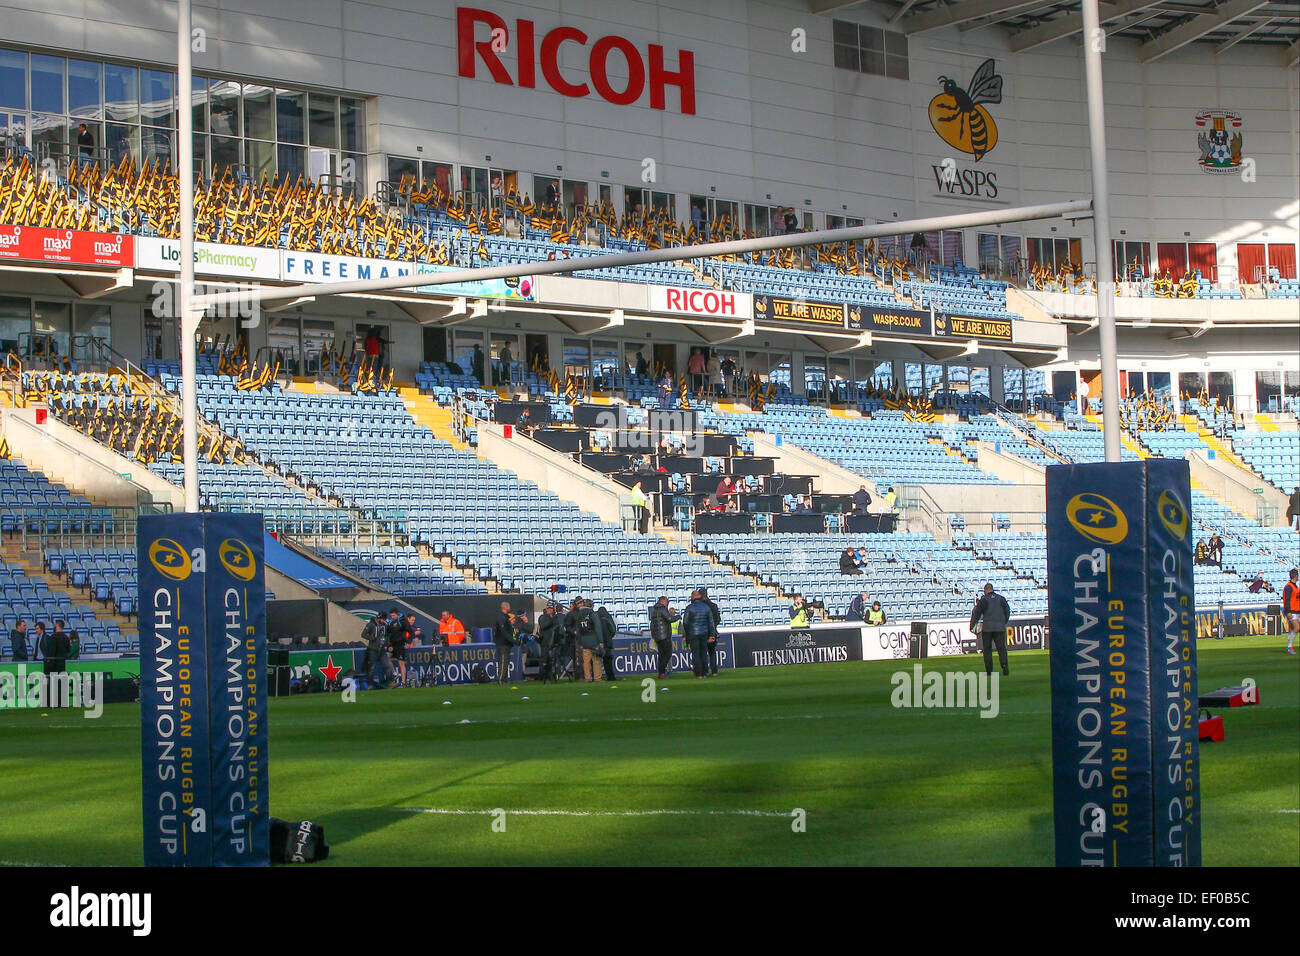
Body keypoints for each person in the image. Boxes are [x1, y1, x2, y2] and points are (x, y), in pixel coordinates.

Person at [970, 582, 1011, 677]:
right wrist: (1004, 621)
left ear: (985, 590)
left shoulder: (984, 600)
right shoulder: (1001, 598)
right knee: (1001, 648)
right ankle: (1005, 666)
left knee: (987, 649)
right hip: (1000, 628)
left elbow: (977, 613)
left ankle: (989, 671)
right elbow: (1007, 611)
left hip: (988, 628)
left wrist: (972, 625)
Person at [682, 590, 715, 679]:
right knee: (704, 653)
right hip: (704, 633)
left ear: (692, 597)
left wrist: (686, 634)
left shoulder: (689, 608)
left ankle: (698, 673)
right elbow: (711, 622)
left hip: (693, 634)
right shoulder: (706, 607)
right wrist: (712, 634)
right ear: (699, 596)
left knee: (696, 654)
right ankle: (705, 672)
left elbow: (685, 622)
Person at [648, 596, 679, 680]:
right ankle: (662, 672)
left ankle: (661, 672)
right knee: (667, 654)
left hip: (657, 636)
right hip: (664, 635)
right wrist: (678, 617)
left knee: (661, 655)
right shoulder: (663, 609)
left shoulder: (654, 611)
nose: (668, 603)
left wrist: (654, 635)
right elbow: (669, 618)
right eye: (667, 601)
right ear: (663, 601)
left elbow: (652, 625)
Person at [572, 599, 603, 681]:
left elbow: (578, 629)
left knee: (586, 661)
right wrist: (601, 641)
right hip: (594, 640)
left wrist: (580, 641)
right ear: (591, 606)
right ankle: (597, 678)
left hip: (584, 640)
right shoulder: (593, 614)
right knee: (596, 660)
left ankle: (588, 677)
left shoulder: (580, 615)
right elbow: (598, 628)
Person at [492, 601, 518, 685]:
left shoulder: (505, 617)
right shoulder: (501, 618)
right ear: (505, 607)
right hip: (502, 643)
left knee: (505, 662)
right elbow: (504, 632)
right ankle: (501, 679)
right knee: (503, 662)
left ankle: (504, 679)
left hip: (506, 643)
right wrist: (513, 640)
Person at [698, 587, 722, 676]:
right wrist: (713, 626)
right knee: (712, 652)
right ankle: (714, 671)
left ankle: (705, 671)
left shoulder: (698, 606)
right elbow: (718, 619)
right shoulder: (713, 605)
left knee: (702, 652)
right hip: (712, 632)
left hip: (702, 632)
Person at [389, 613, 417, 686]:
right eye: (412, 620)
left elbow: (412, 634)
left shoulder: (405, 625)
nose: (413, 622)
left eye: (414, 620)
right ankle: (395, 674)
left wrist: (408, 643)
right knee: (387, 658)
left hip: (402, 646)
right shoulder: (395, 624)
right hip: (396, 646)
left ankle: (403, 682)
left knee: (401, 663)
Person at [536, 604, 561, 682]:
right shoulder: (542, 617)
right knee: (545, 659)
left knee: (552, 659)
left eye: (551, 608)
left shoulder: (555, 618)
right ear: (546, 609)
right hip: (545, 641)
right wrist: (551, 621)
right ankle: (543, 675)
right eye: (549, 608)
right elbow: (543, 626)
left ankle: (552, 675)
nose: (550, 610)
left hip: (553, 641)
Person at [596, 604, 618, 681]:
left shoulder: (596, 617)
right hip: (608, 642)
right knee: (608, 661)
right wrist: (609, 636)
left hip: (599, 642)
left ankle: (597, 677)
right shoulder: (608, 617)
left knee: (597, 661)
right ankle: (611, 676)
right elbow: (613, 629)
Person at [1282, 569, 1299, 656]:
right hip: (1291, 611)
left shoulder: (1295, 586)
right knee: (1297, 628)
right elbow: (1287, 600)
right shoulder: (1288, 587)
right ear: (1296, 576)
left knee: (1293, 629)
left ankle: (1289, 646)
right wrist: (1288, 611)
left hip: (1296, 610)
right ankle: (1289, 646)